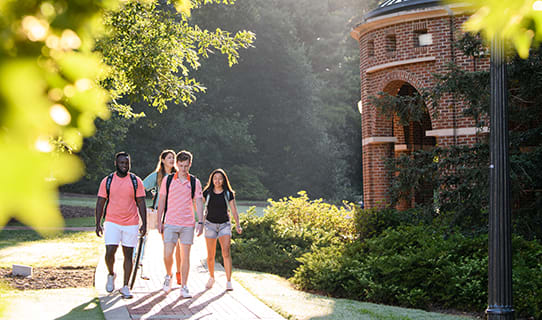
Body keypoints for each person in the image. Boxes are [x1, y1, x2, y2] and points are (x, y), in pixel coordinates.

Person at [95, 152, 147, 299]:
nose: (124, 165)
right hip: (112, 221)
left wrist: (144, 224)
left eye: (126, 163)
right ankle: (111, 274)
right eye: (121, 163)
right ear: (116, 163)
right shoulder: (108, 180)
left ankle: (125, 286)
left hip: (131, 223)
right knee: (110, 252)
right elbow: (100, 202)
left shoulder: (136, 181)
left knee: (128, 255)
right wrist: (97, 223)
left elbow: (141, 202)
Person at [157, 150, 204, 298]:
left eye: (186, 166)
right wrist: (159, 221)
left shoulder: (195, 182)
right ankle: (168, 275)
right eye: (181, 166)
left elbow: (198, 203)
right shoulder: (168, 180)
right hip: (170, 222)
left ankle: (184, 286)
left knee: (185, 257)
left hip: (187, 225)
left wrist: (201, 221)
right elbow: (162, 201)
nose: (183, 169)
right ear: (176, 164)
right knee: (167, 253)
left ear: (190, 164)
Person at [142, 149, 183, 283]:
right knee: (168, 244)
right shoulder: (157, 175)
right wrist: (155, 194)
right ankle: (169, 274)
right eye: (169, 157)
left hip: (176, 212)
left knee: (177, 245)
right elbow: (142, 187)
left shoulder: (179, 175)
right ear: (163, 160)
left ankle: (178, 273)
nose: (172, 159)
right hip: (162, 213)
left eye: (173, 157)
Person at [202, 169, 242, 291]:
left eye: (220, 178)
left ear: (224, 180)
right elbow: (198, 204)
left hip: (224, 225)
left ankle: (229, 281)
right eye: (215, 178)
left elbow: (233, 209)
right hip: (210, 225)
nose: (217, 180)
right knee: (210, 255)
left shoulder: (228, 193)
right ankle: (211, 277)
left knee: (226, 252)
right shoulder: (207, 193)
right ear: (211, 180)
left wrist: (238, 224)